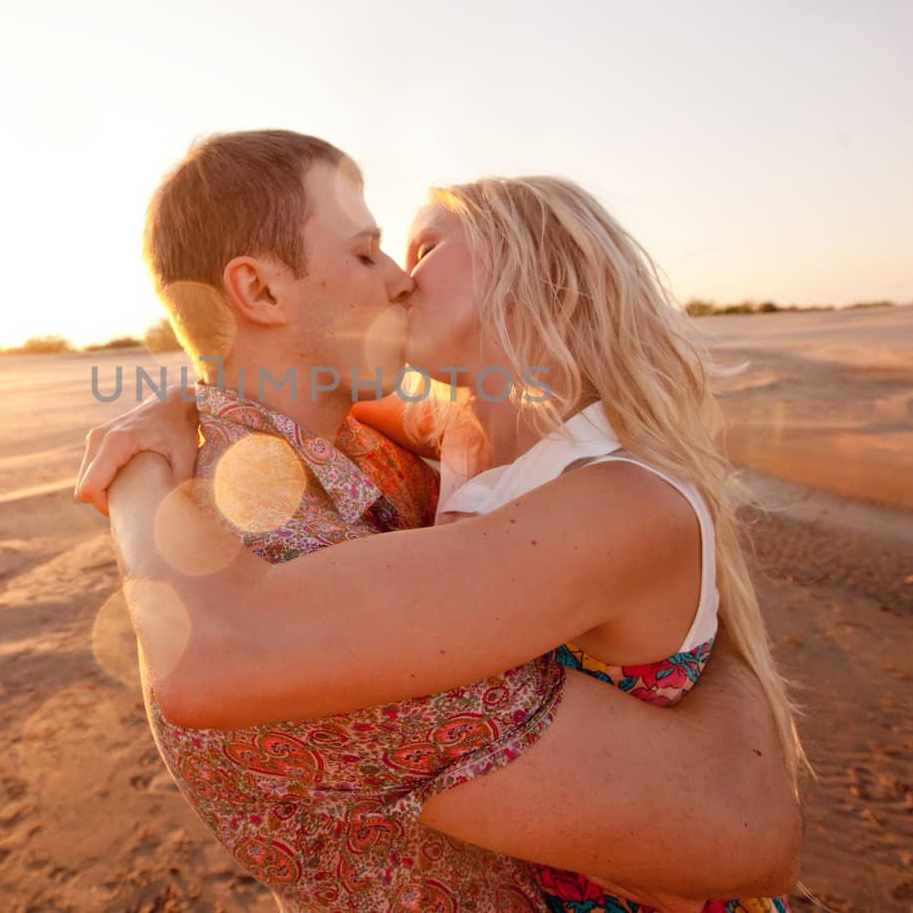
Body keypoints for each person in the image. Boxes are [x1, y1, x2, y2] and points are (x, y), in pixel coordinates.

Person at [78, 131, 800, 912]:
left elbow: (278, 386)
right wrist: (159, 438)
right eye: (370, 254)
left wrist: (158, 444)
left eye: (417, 251)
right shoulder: (383, 481)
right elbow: (746, 838)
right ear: (258, 291)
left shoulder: (569, 485)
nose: (395, 279)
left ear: (535, 275)